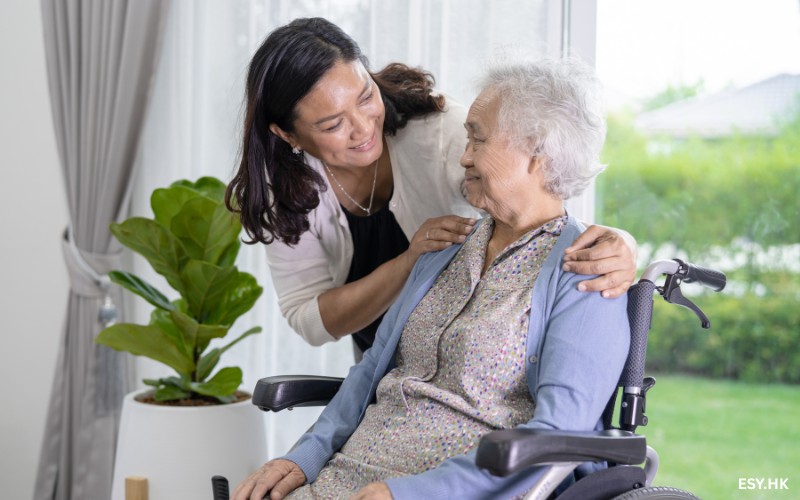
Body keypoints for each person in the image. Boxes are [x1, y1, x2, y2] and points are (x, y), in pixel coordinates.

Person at [231, 51, 631, 500]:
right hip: (346, 478)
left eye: (477, 141)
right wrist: (301, 457)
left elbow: (559, 432)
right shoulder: (442, 251)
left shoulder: (587, 275)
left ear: (537, 153)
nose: (462, 158)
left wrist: (411, 493)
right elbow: (368, 373)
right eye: (467, 140)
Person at [225, 18, 638, 360]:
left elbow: (542, 198)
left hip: (466, 360)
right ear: (287, 134)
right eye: (333, 124)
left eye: (366, 95)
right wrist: (408, 263)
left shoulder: (443, 133)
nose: (364, 126)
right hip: (388, 369)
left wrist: (620, 244)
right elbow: (310, 319)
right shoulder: (282, 190)